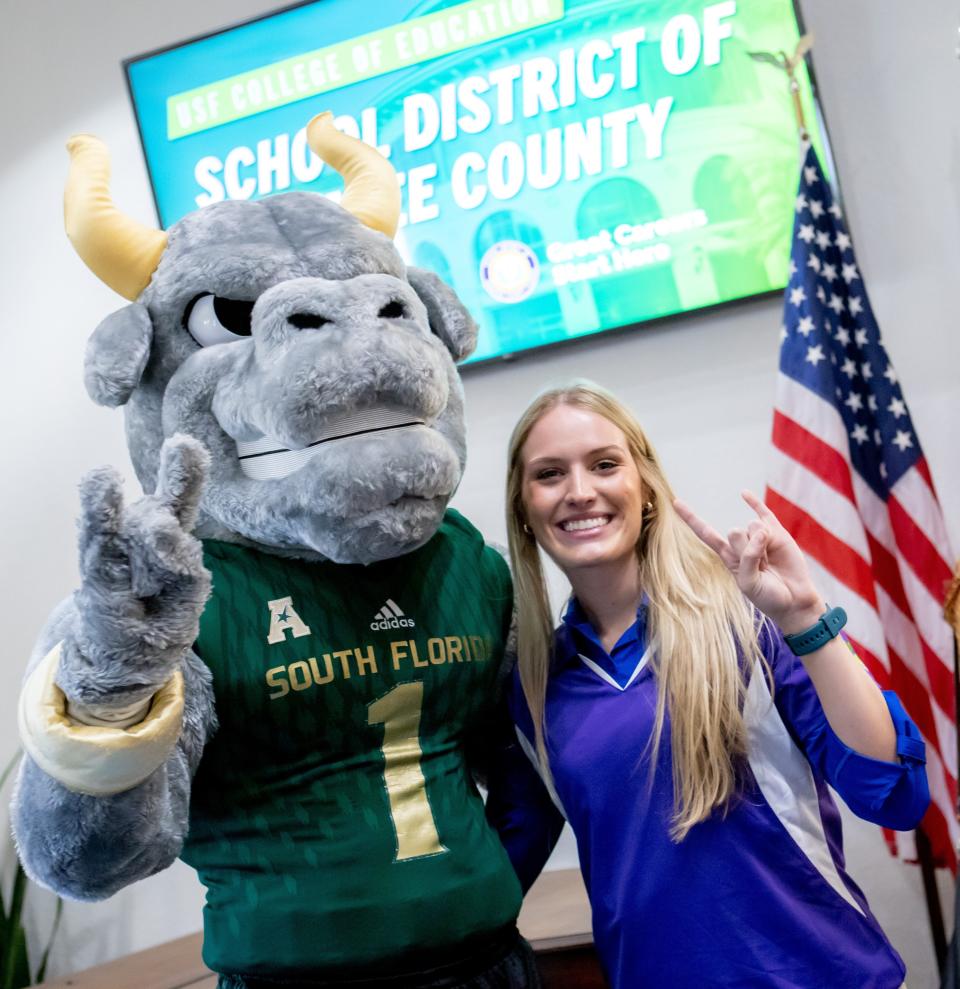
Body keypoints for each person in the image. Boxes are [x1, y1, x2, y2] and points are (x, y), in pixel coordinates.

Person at [486, 381, 928, 989]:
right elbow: (494, 870)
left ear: (644, 488)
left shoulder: (749, 627)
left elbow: (893, 795)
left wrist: (804, 620)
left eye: (605, 464)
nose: (580, 491)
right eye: (550, 474)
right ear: (524, 509)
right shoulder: (533, 691)